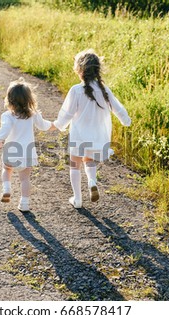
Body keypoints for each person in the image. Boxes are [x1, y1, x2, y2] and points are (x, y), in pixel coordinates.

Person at [53, 49, 131, 208]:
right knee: (89, 162)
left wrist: (59, 125)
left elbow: (67, 113)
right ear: (97, 70)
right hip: (97, 136)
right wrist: (126, 120)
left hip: (79, 137)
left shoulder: (76, 90)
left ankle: (77, 199)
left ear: (79, 70)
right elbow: (118, 108)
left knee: (75, 164)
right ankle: (92, 181)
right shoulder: (104, 89)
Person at [0, 78, 53, 212]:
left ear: (9, 99)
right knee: (25, 179)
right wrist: (55, 126)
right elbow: (43, 126)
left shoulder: (7, 116)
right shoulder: (33, 114)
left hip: (11, 152)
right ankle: (24, 204)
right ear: (29, 99)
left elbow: (5, 130)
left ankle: (7, 189)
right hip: (27, 154)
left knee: (6, 169)